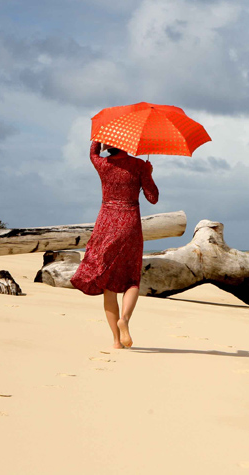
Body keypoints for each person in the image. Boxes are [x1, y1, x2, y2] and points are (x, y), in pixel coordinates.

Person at [71, 141, 158, 348]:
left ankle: (116, 341)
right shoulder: (138, 165)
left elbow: (92, 152)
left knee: (109, 283)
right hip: (130, 226)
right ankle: (125, 320)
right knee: (131, 280)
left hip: (106, 225)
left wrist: (97, 140)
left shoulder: (102, 164)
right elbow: (152, 198)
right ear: (127, 143)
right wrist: (149, 172)